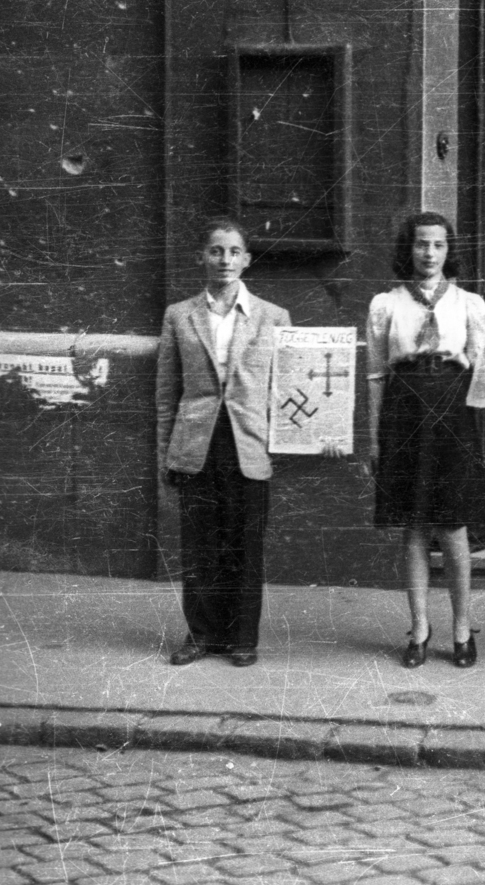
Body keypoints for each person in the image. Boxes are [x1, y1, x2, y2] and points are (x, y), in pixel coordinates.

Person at [366, 212, 485, 668]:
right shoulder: (385, 304)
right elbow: (376, 376)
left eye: (438, 245)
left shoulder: (469, 303)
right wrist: (374, 437)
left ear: (449, 250)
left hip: (452, 407)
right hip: (403, 410)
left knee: (454, 524)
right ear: (409, 249)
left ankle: (462, 629)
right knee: (414, 525)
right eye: (421, 244)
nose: (429, 253)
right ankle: (420, 628)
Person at [156, 217, 292, 668]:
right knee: (198, 546)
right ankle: (200, 635)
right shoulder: (179, 315)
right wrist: (165, 455)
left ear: (247, 260)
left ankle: (242, 639)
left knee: (245, 546)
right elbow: (165, 394)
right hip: (195, 444)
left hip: (248, 445)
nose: (225, 260)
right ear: (202, 256)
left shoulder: (273, 317)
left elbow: (289, 390)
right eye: (216, 251)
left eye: (234, 252)